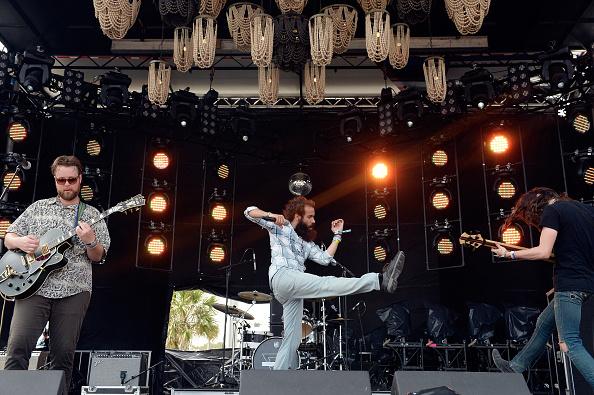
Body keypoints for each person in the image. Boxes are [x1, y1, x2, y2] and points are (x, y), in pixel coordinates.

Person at [244, 196, 405, 370]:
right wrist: (271, 215)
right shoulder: (280, 227)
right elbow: (249, 212)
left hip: (292, 290)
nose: (313, 221)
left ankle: (276, 379)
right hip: (282, 276)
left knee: (292, 339)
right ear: (298, 215)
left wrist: (337, 235)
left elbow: (325, 259)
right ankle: (379, 280)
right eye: (310, 216)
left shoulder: (306, 243)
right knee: (326, 284)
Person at [3, 155, 111, 395]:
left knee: (63, 355)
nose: (66, 185)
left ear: (80, 179)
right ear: (55, 180)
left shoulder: (92, 215)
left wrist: (91, 241)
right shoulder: (38, 207)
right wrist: (22, 241)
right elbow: (9, 237)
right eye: (61, 180)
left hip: (74, 290)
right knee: (17, 348)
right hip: (32, 288)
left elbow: (99, 256)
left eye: (72, 179)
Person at [490, 187, 594, 389]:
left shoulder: (552, 211)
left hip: (570, 284)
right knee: (544, 322)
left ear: (535, 206)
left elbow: (543, 251)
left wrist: (510, 254)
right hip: (588, 283)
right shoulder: (585, 209)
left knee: (570, 343)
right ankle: (516, 367)